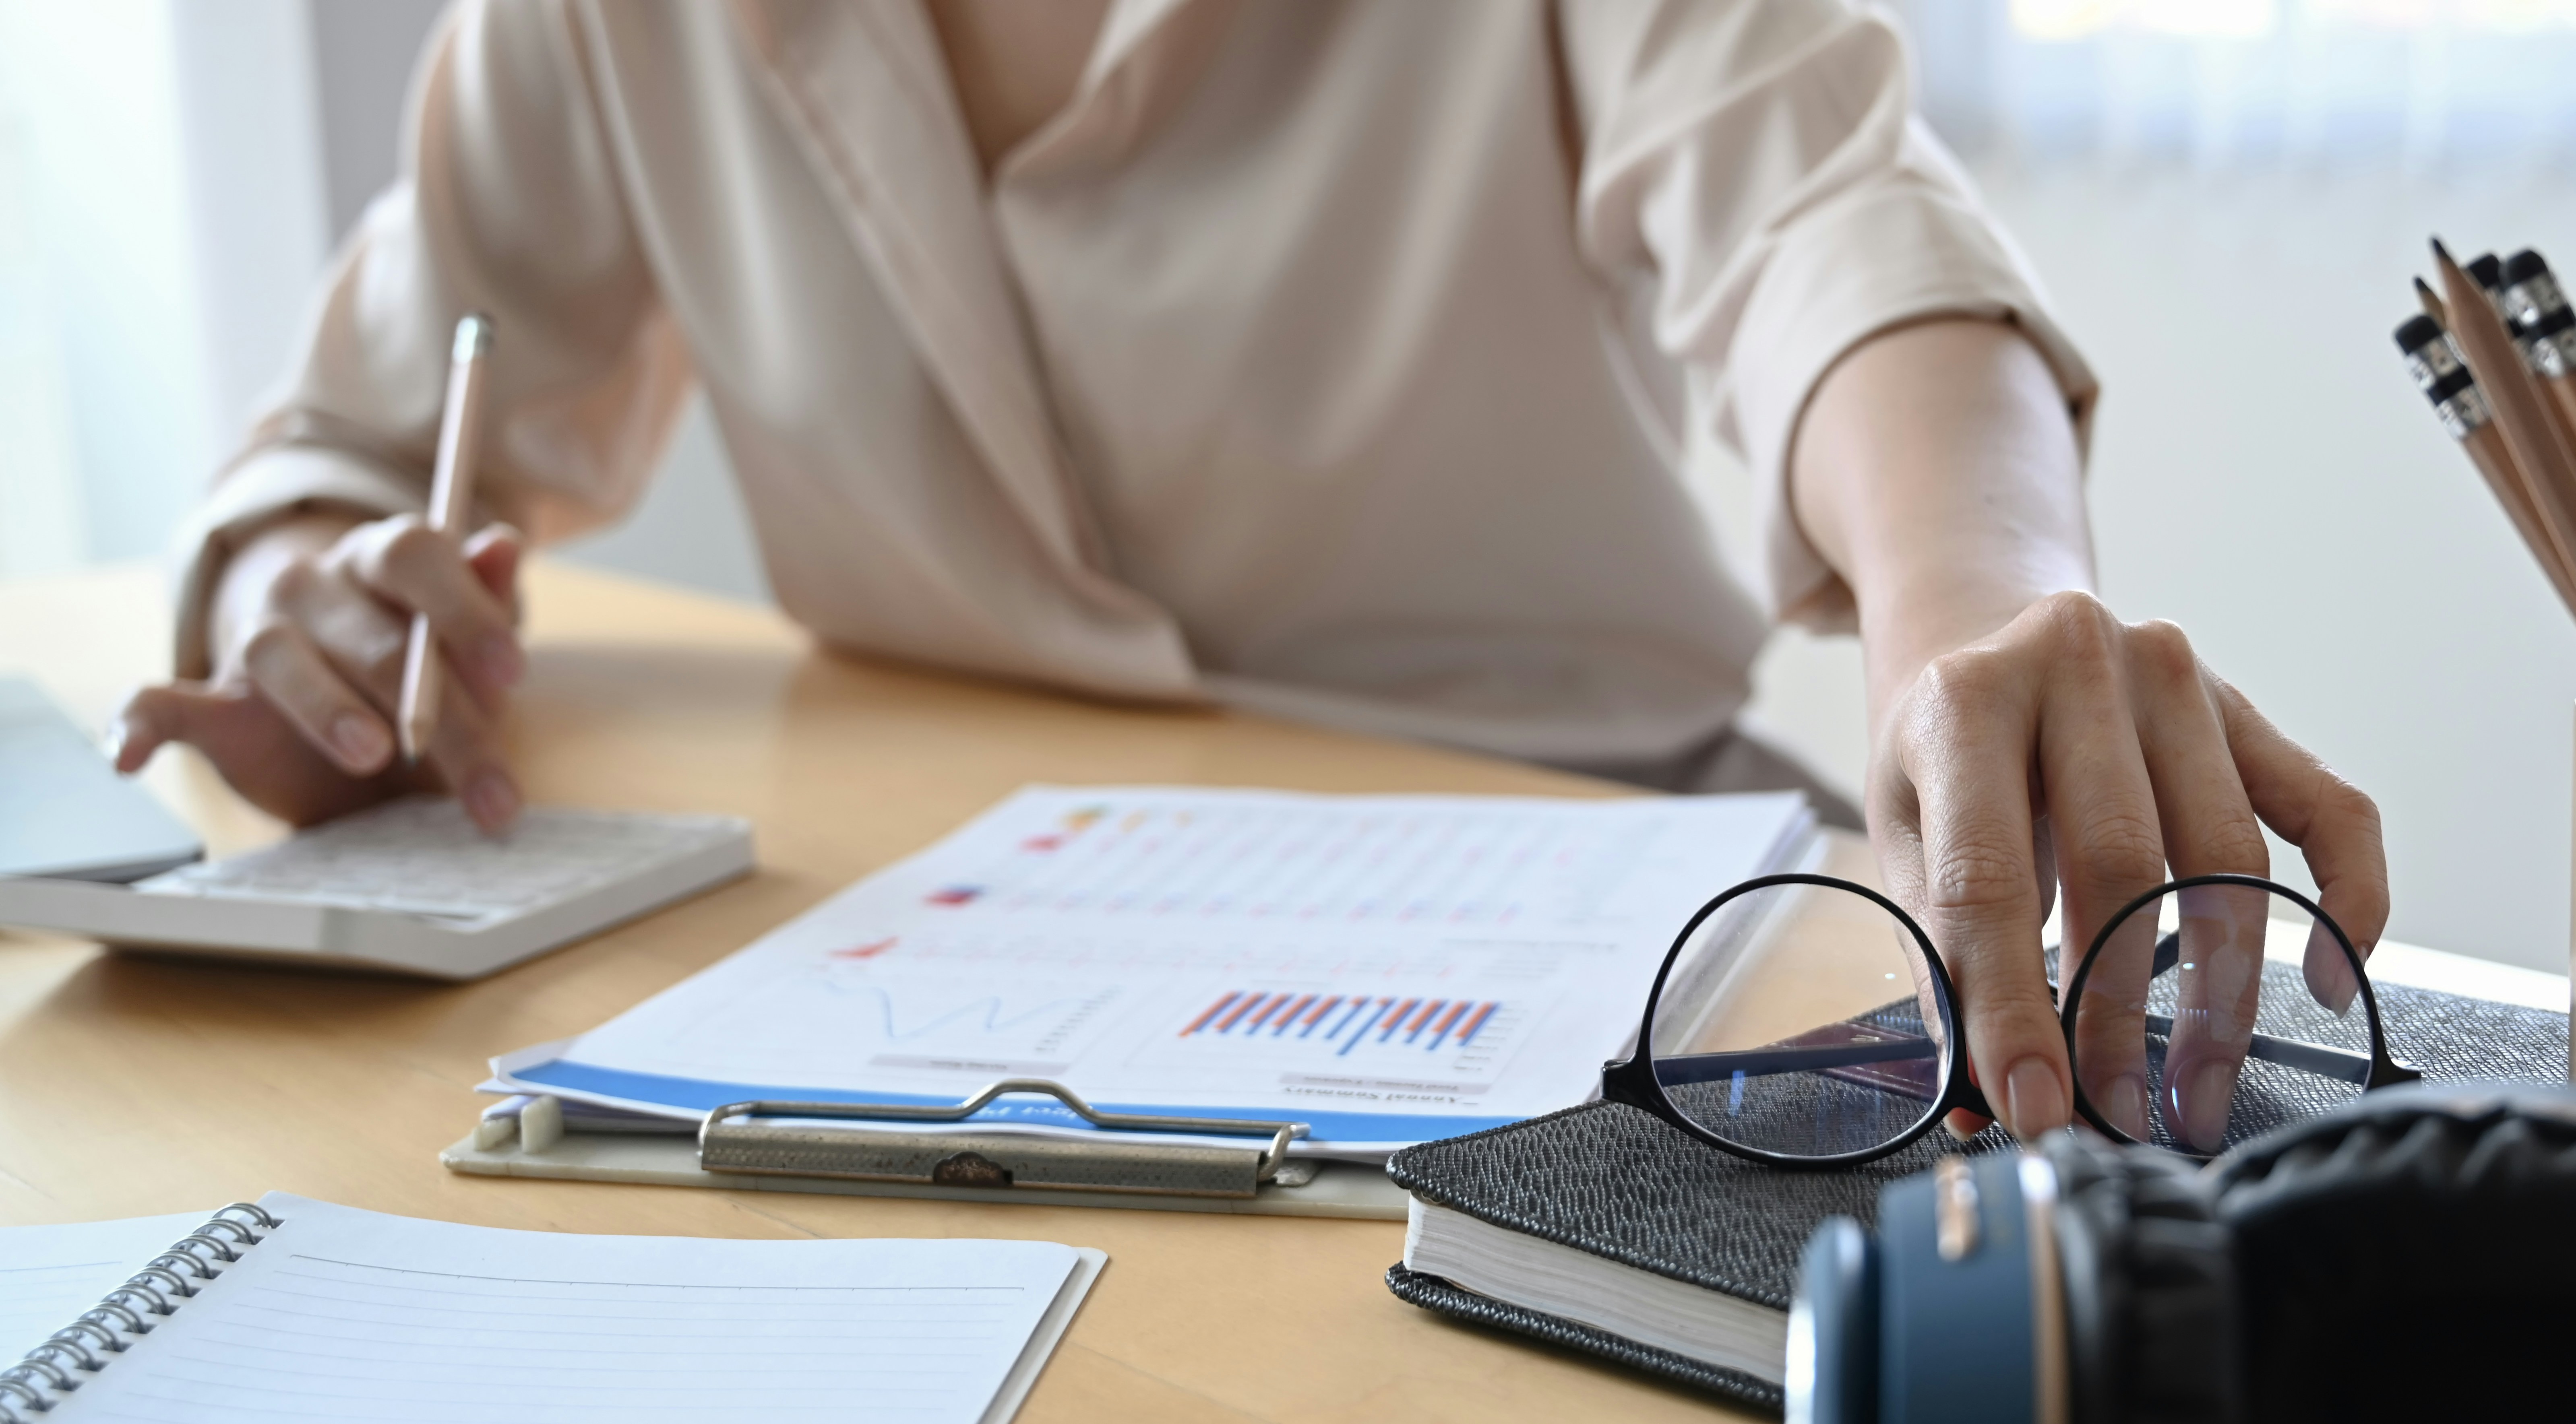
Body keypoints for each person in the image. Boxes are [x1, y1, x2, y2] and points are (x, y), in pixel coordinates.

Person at [107, 0, 2384, 1144]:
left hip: (1574, 913)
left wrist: (1978, 613)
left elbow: (1826, 217)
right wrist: (320, 622)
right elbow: (359, 435)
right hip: (902, 954)